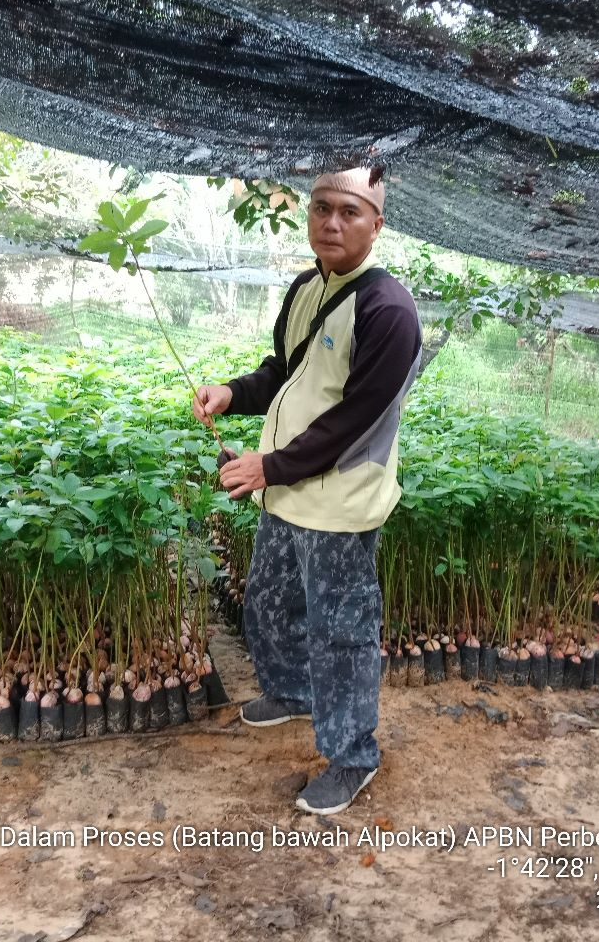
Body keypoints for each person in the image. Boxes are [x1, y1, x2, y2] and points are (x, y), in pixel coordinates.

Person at [192, 167, 421, 815]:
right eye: (321, 208)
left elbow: (355, 421)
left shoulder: (387, 310)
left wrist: (268, 466)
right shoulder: (305, 287)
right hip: (287, 490)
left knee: (341, 632)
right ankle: (294, 692)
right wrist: (232, 393)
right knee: (270, 601)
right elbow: (284, 372)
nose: (332, 223)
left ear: (377, 224)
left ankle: (353, 756)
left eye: (350, 211)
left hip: (340, 504)